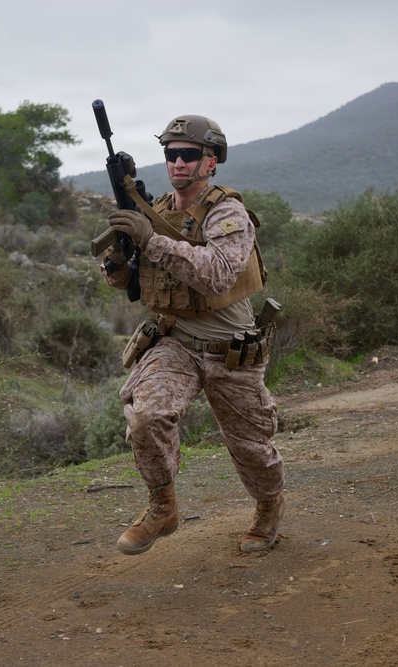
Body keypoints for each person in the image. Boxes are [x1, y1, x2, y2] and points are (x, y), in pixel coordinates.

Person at [100, 114, 284, 555]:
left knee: (251, 448)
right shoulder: (156, 211)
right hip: (174, 344)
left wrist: (151, 241)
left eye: (188, 155)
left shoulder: (228, 213)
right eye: (170, 155)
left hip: (230, 350)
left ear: (212, 161)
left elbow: (217, 276)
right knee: (146, 418)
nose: (178, 163)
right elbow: (136, 284)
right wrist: (120, 266)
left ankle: (268, 505)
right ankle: (162, 505)